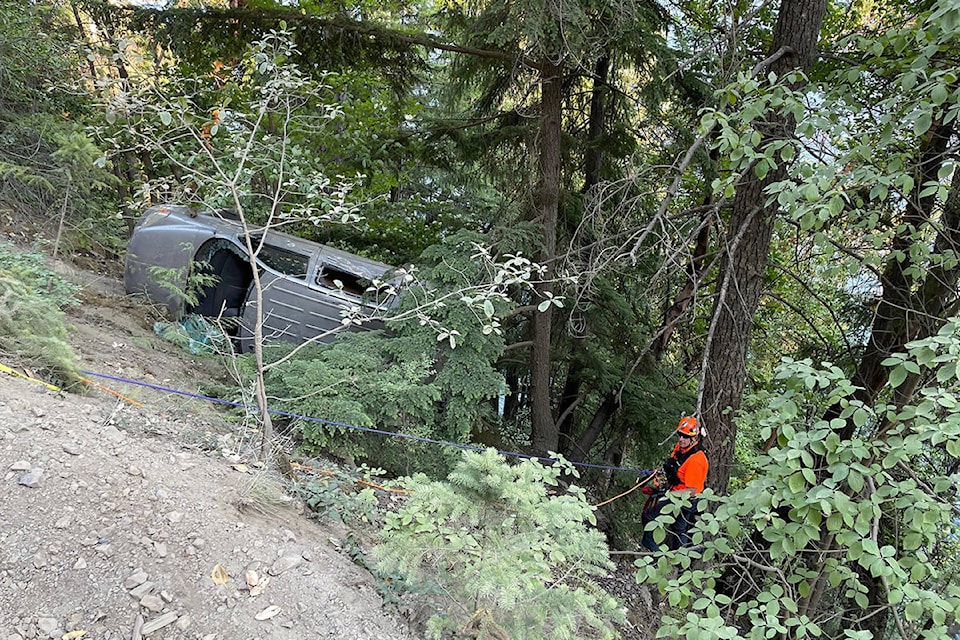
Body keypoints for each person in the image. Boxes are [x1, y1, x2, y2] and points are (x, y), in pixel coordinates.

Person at [641, 415, 709, 551]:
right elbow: (672, 465)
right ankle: (679, 557)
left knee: (650, 515)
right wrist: (656, 474)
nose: (681, 439)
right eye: (680, 435)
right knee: (679, 528)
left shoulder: (696, 460)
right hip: (678, 493)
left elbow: (692, 491)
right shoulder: (681, 448)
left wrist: (668, 496)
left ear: (694, 438)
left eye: (685, 436)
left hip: (687, 498)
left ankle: (654, 549)